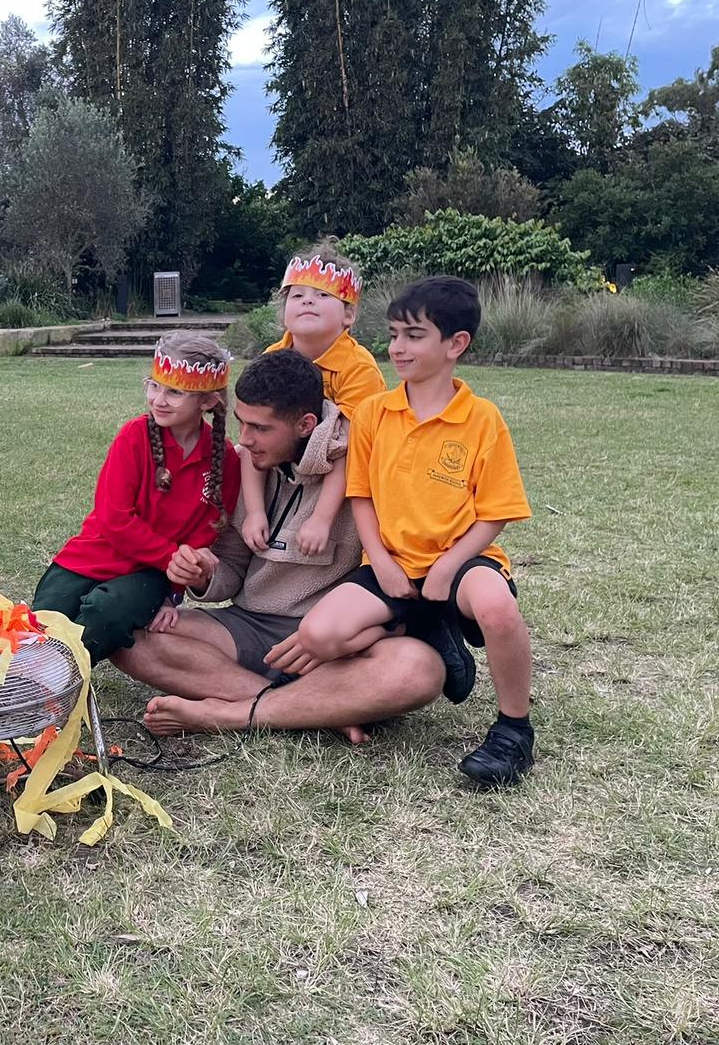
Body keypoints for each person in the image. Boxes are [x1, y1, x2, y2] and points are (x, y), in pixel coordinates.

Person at [117, 350, 454, 740]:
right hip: (249, 626)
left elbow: (401, 571)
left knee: (419, 669)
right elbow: (231, 567)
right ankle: (312, 708)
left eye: (260, 428)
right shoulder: (243, 465)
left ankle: (228, 714)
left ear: (305, 424)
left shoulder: (365, 464)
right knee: (128, 638)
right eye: (242, 423)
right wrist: (205, 575)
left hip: (333, 642)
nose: (245, 440)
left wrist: (354, 634)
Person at [284, 276, 536, 786]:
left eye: (414, 335)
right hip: (391, 563)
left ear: (455, 344)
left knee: (496, 608)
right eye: (394, 334)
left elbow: (497, 511)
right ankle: (423, 626)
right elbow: (360, 495)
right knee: (318, 634)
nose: (397, 347)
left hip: (460, 561)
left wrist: (448, 565)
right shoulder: (374, 412)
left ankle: (514, 731)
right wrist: (379, 560)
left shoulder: (482, 419)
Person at [32, 332, 242, 665]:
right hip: (93, 555)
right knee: (43, 623)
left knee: (106, 614)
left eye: (175, 391)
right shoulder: (134, 436)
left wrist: (172, 592)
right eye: (154, 386)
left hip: (151, 573)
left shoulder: (225, 458)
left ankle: (57, 677)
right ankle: (25, 674)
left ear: (207, 401)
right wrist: (172, 557)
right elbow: (114, 517)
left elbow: (205, 533)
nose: (159, 399)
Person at [240, 248, 385, 560]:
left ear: (348, 315)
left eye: (322, 294)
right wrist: (254, 512)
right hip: (285, 462)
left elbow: (350, 450)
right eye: (297, 295)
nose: (308, 301)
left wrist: (321, 519)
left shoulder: (359, 370)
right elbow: (253, 434)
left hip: (338, 470)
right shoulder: (272, 357)